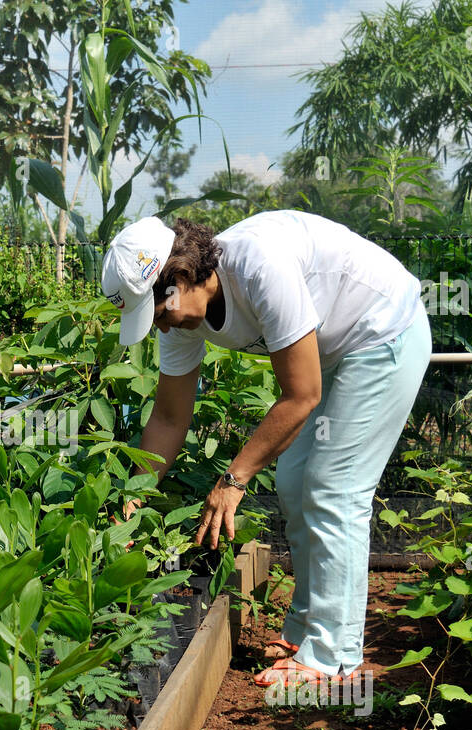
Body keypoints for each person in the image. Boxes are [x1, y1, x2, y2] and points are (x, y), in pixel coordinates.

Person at [101, 211, 431, 687]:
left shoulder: (259, 266)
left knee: (333, 487)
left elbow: (301, 395)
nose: (162, 329)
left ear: (180, 276)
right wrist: (132, 498)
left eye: (158, 313)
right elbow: (170, 418)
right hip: (330, 356)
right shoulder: (183, 320)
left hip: (381, 332)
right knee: (295, 484)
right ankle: (305, 631)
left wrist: (233, 480)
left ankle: (332, 658)